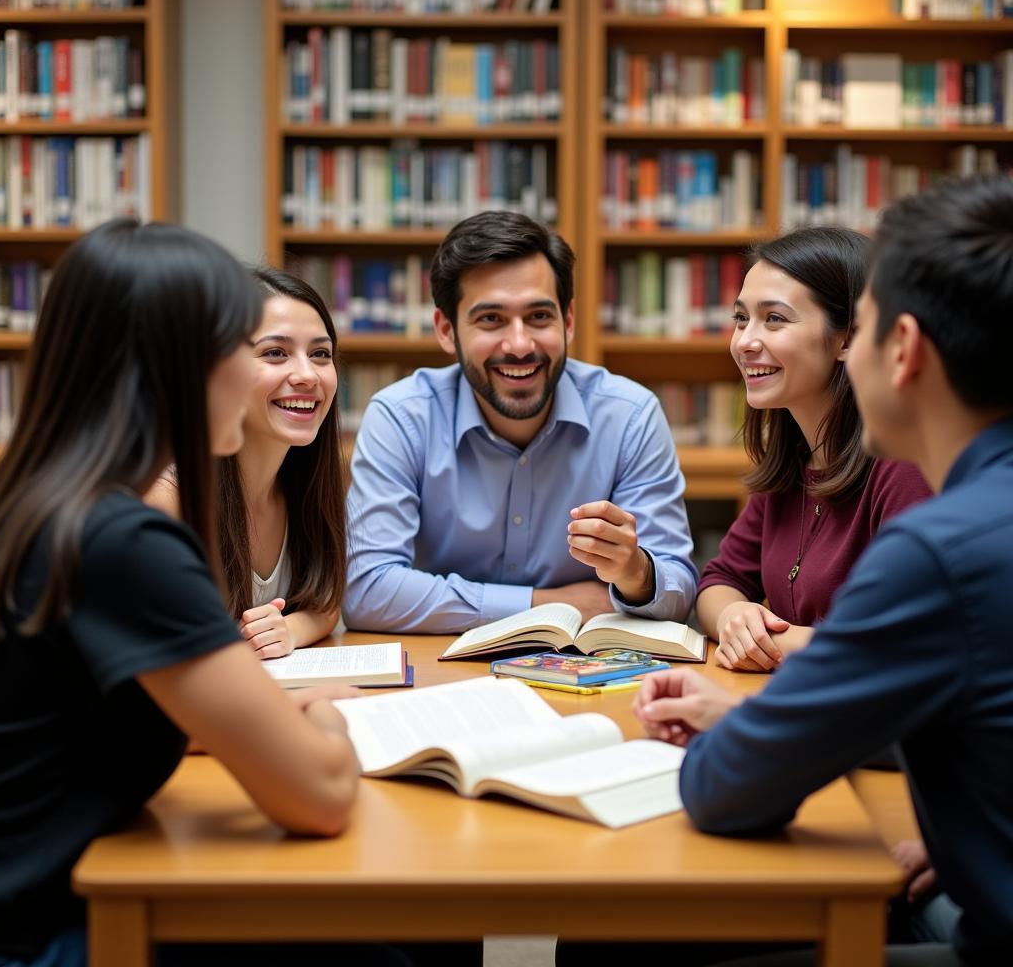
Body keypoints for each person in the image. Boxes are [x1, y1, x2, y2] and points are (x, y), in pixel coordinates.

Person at [633, 174, 1013, 966]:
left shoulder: (939, 545)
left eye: (864, 327)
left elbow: (724, 791)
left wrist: (759, 729)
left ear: (896, 349)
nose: (745, 340)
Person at [0, 221, 372, 967]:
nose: (267, 373)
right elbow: (320, 795)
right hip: (44, 938)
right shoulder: (124, 540)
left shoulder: (52, 503)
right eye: (242, 346)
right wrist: (326, 715)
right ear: (174, 364)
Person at [343, 210, 698, 634]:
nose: (518, 345)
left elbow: (677, 588)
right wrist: (547, 606)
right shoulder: (401, 417)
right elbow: (367, 591)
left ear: (567, 322)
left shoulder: (629, 416)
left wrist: (636, 572)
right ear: (445, 329)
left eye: (539, 317)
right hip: (444, 676)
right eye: (490, 319)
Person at [697, 227, 930, 672]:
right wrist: (734, 617)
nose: (744, 341)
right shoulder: (793, 461)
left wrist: (771, 643)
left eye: (775, 319)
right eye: (741, 318)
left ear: (849, 339)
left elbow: (910, 641)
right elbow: (720, 579)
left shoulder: (904, 466)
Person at [149, 267, 347, 659]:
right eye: (275, 353)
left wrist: (287, 629)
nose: (307, 375)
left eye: (320, 354)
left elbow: (325, 603)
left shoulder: (304, 486)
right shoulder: (170, 502)